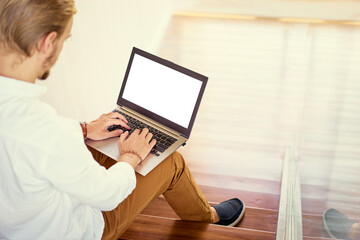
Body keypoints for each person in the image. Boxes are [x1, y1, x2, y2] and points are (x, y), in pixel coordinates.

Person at [0, 1, 245, 239]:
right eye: (66, 39)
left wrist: (84, 129)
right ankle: (209, 217)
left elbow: (33, 145)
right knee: (173, 163)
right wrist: (132, 156)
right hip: (82, 230)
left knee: (104, 146)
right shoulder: (50, 132)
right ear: (48, 42)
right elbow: (105, 195)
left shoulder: (42, 128)